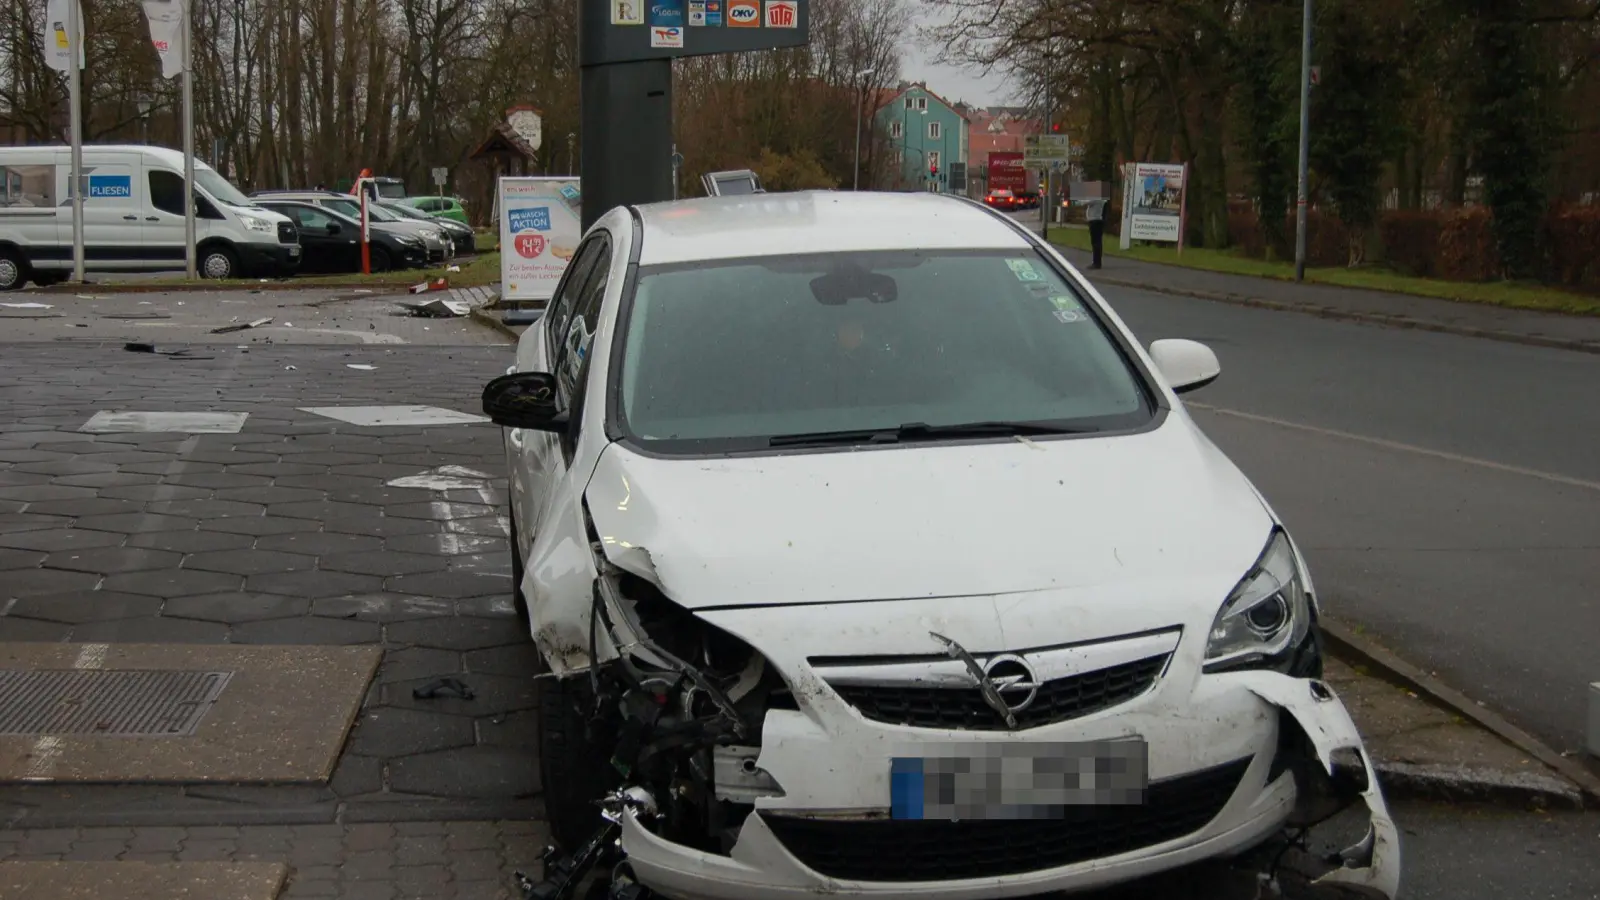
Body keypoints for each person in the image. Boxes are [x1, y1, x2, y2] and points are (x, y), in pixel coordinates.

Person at [1085, 195, 1107, 269]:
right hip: (1097, 220)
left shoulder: (1096, 198)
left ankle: (1096, 263)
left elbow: (1085, 202)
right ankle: (1097, 262)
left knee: (1095, 242)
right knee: (1097, 242)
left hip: (1095, 220)